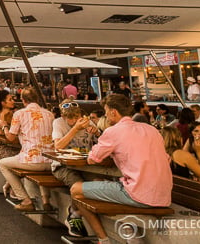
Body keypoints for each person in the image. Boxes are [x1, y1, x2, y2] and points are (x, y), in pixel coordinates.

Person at [70, 94, 172, 243]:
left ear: (113, 112)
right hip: (163, 195)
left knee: (75, 190)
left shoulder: (113, 131)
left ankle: (103, 240)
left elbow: (92, 158)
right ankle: (130, 235)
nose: (105, 115)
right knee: (100, 182)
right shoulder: (151, 130)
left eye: (105, 111)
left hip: (138, 194)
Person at [0, 87, 55, 212]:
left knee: (3, 164)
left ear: (23, 100)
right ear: (37, 99)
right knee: (41, 168)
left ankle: (25, 200)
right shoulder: (49, 114)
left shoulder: (20, 114)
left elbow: (10, 138)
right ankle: (46, 201)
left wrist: (4, 126)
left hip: (31, 160)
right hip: (50, 161)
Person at [51, 99, 99, 238]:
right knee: (78, 185)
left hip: (86, 165)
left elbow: (101, 143)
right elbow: (58, 146)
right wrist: (75, 129)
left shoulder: (87, 122)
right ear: (63, 116)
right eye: (69, 117)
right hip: (62, 166)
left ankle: (78, 212)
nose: (73, 120)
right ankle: (73, 214)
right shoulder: (58, 123)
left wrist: (96, 133)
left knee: (99, 181)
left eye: (75, 117)